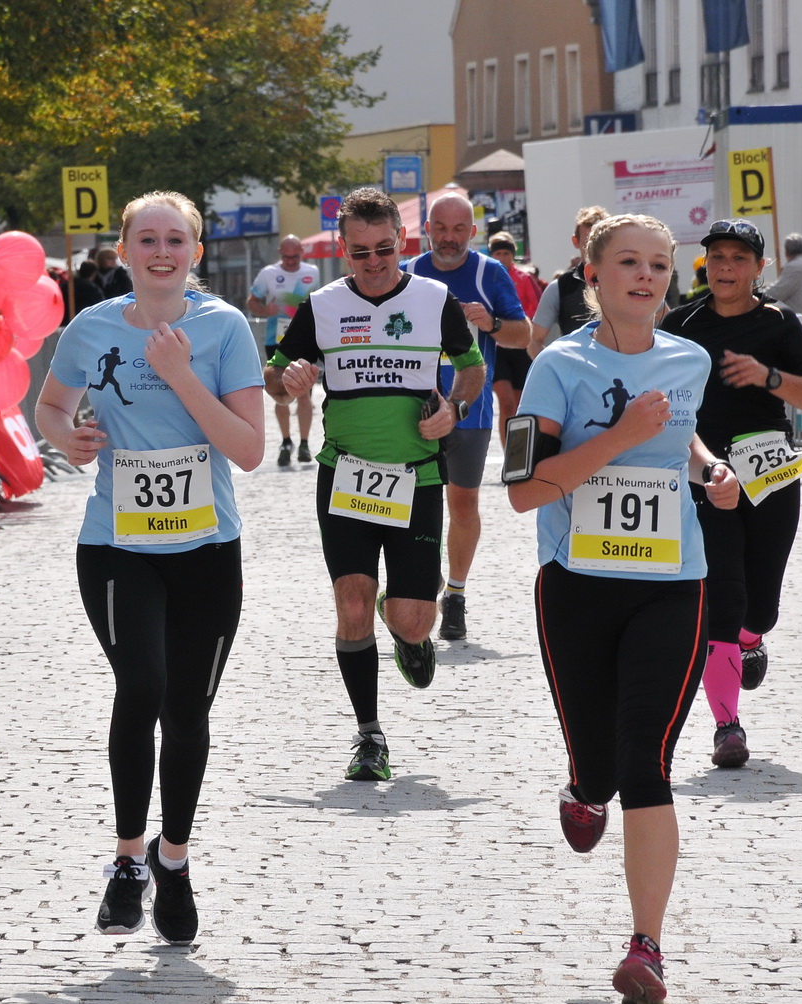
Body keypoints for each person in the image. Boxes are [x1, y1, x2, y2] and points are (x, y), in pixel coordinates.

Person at [508, 212, 740, 1004]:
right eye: (628, 264)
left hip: (671, 580)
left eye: (657, 266)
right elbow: (521, 490)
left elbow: (679, 433)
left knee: (646, 758)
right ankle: (582, 785)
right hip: (576, 584)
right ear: (592, 276)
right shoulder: (554, 368)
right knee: (599, 763)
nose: (644, 277)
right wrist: (615, 438)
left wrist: (711, 467)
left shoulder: (689, 358)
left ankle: (646, 946)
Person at [34, 190, 265, 944]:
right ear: (126, 249)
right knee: (141, 684)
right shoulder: (91, 327)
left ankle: (175, 857)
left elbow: (249, 449)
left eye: (175, 239)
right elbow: (50, 407)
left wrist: (181, 371)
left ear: (194, 252)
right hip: (115, 546)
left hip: (205, 546)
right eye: (146, 238)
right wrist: (67, 437)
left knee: (187, 708)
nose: (161, 250)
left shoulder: (224, 327)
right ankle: (128, 860)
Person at [265, 187, 485, 781]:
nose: (373, 262)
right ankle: (369, 734)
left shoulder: (435, 299)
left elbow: (472, 369)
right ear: (342, 250)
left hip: (417, 478)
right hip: (346, 475)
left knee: (413, 619)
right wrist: (287, 377)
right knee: (352, 601)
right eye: (359, 253)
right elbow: (272, 374)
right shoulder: (322, 304)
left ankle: (408, 624)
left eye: (383, 249)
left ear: (401, 242)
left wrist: (455, 412)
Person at [660, 219, 802, 769]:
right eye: (717, 257)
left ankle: (753, 639)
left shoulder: (779, 322)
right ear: (703, 264)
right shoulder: (681, 323)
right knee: (721, 599)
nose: (726, 267)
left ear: (760, 269)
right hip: (705, 474)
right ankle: (727, 727)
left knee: (761, 603)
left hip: (771, 474)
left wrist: (766, 376)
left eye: (739, 258)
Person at [407, 193, 529, 641]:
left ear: (472, 233)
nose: (450, 238)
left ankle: (454, 594)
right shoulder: (411, 273)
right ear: (427, 228)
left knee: (462, 504)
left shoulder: (488, 273)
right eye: (441, 228)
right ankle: (422, 583)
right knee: (413, 504)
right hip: (412, 410)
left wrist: (492, 323)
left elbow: (524, 335)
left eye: (459, 230)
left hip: (470, 411)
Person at [245, 235, 320, 467]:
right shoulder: (268, 274)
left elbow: (320, 302)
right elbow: (252, 302)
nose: (290, 262)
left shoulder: (313, 273)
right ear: (280, 253)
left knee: (304, 392)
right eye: (286, 257)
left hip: (305, 338)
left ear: (302, 252)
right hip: (275, 338)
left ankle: (305, 443)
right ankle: (286, 441)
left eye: (294, 257)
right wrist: (265, 310)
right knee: (280, 390)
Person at [487, 232, 541, 449]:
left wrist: (516, 321)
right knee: (506, 402)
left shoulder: (524, 278)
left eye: (506, 253)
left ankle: (518, 454)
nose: (502, 257)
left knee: (519, 405)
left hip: (520, 346)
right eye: (497, 253)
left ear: (512, 255)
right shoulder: (486, 277)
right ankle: (508, 453)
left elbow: (536, 308)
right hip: (497, 346)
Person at [530, 206, 608, 350]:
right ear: (575, 241)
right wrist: (556, 370)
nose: (593, 249)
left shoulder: (630, 279)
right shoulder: (560, 287)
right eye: (588, 243)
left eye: (599, 243)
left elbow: (660, 314)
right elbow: (534, 341)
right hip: (578, 369)